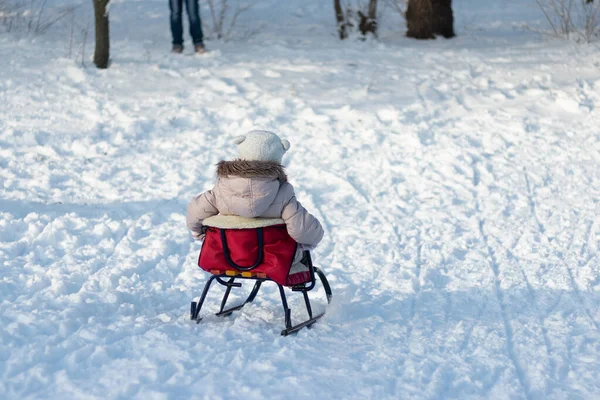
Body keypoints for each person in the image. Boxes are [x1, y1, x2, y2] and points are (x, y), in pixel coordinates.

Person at [186, 130, 324, 249]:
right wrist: (310, 241)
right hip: (272, 258)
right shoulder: (283, 190)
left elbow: (196, 211)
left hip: (228, 255)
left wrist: (198, 232)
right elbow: (302, 229)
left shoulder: (223, 186)